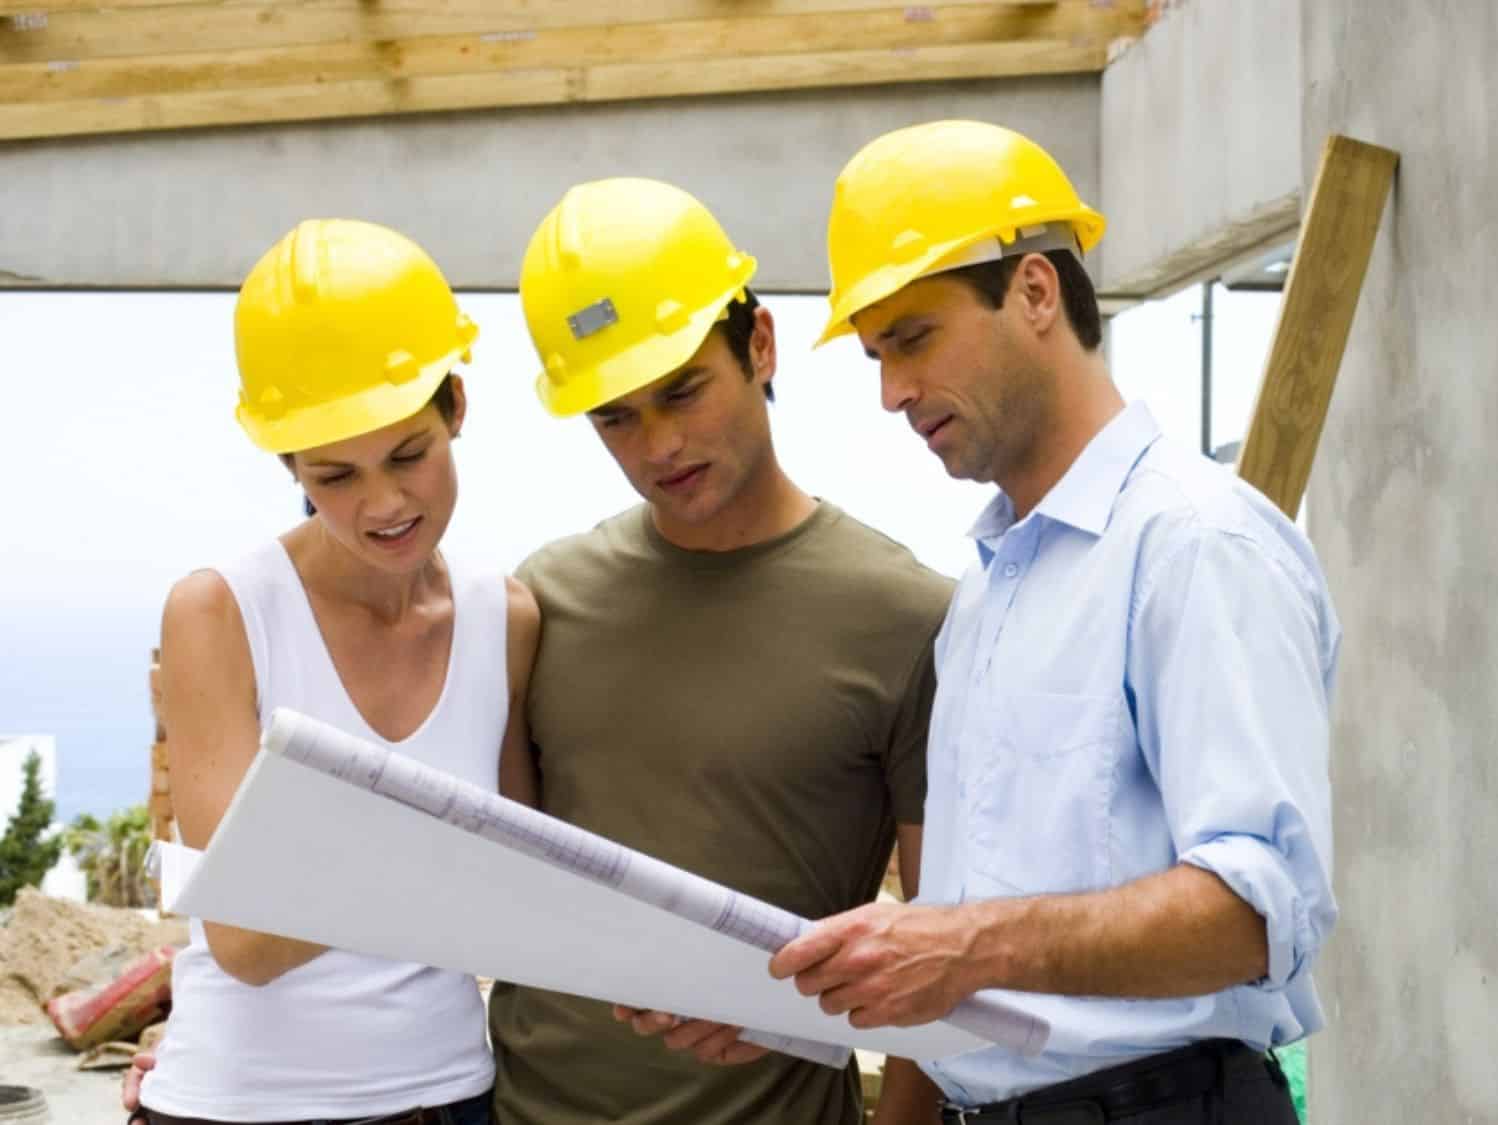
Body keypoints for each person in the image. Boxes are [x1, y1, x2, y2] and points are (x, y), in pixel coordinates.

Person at [632, 119, 1341, 1123]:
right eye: (876, 354)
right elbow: (983, 960)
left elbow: (1257, 913)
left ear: (1035, 292)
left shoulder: (1192, 546)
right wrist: (789, 995)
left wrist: (959, 945)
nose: (890, 393)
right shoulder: (991, 592)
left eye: (913, 339)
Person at [487, 177, 953, 1125]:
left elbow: (938, 951)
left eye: (682, 390)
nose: (659, 443)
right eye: (616, 416)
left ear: (762, 345)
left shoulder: (907, 616)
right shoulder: (545, 599)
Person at [129, 219, 539, 1124]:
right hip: (234, 1107)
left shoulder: (504, 618)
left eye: (408, 454)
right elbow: (242, 937)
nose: (384, 504)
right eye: (335, 476)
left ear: (456, 407)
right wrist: (445, 856)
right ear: (289, 464)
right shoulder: (221, 613)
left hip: (447, 1099)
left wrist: (339, 871)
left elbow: (513, 895)